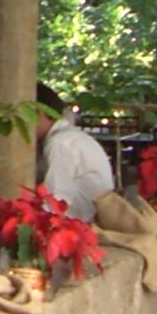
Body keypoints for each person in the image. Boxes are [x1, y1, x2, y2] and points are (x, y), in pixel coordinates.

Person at [36, 85, 114, 219]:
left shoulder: (60, 144)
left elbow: (55, 202)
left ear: (40, 113)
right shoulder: (68, 137)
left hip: (83, 224)